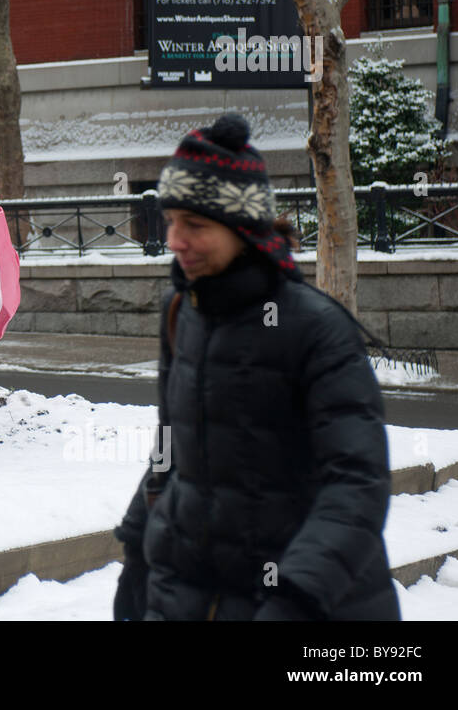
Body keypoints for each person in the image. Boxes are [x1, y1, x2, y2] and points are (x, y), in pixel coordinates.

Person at [112, 113, 400, 621]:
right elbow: (171, 444)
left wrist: (297, 596)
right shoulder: (181, 311)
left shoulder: (316, 328)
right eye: (170, 220)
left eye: (195, 225)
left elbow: (357, 480)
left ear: (243, 228)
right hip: (186, 595)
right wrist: (137, 545)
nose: (175, 240)